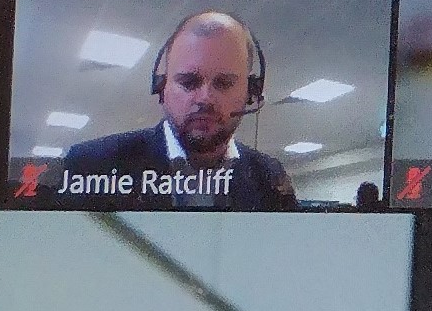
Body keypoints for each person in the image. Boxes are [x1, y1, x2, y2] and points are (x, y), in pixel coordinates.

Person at [60, 11, 299, 211]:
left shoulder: (270, 177)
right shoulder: (91, 164)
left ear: (251, 91)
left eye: (224, 83)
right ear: (161, 86)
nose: (205, 99)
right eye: (188, 82)